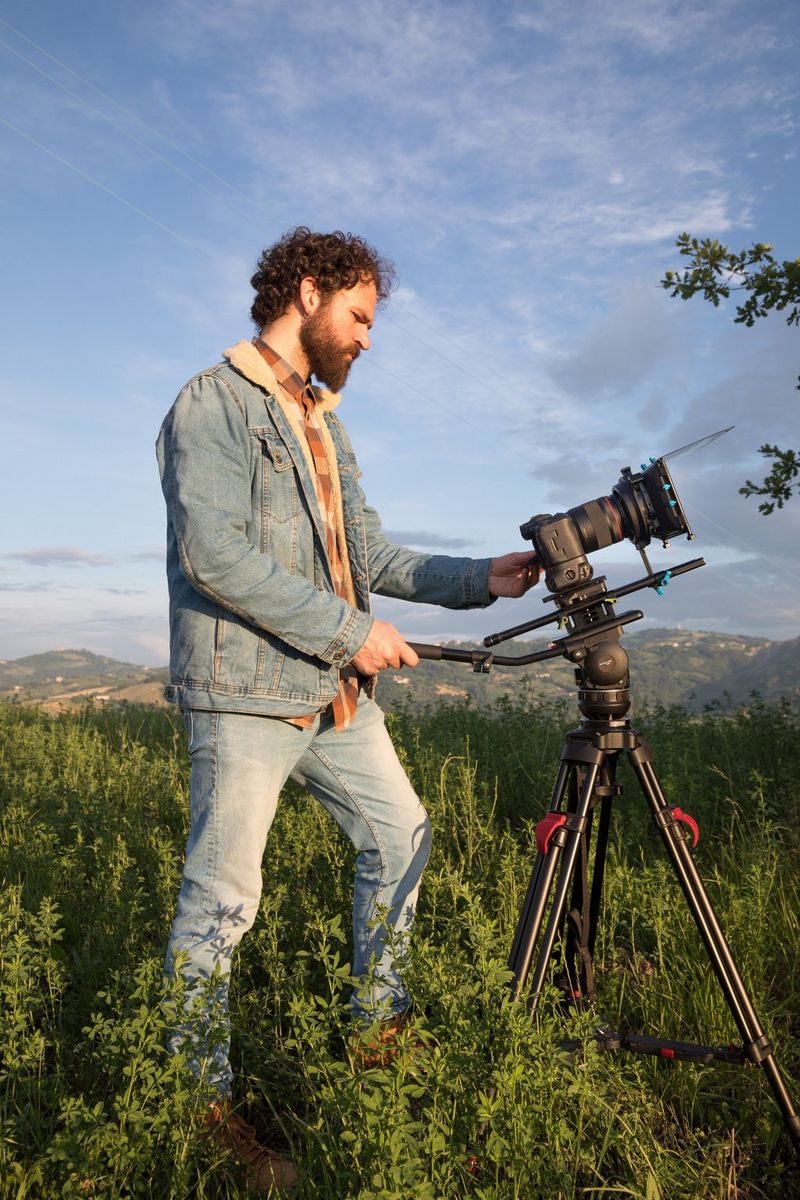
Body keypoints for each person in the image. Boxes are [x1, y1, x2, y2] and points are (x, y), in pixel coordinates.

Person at [156, 227, 539, 1192]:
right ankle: (194, 1112)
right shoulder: (212, 404)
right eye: (361, 317)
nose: (368, 339)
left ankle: (377, 1044)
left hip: (334, 698)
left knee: (401, 836)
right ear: (310, 291)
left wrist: (479, 579)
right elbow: (217, 557)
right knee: (222, 902)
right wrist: (348, 631)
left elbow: (367, 553)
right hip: (246, 695)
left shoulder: (324, 421)